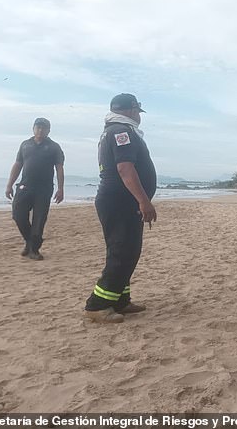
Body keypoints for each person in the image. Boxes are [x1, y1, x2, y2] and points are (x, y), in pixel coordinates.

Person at [84, 93, 157, 324]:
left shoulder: (118, 130)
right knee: (122, 252)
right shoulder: (120, 132)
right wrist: (144, 201)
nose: (139, 116)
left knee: (128, 251)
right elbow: (125, 169)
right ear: (132, 110)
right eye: (137, 111)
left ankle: (120, 300)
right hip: (120, 201)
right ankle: (98, 305)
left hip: (123, 201)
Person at [5, 118, 65, 260]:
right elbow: (17, 164)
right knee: (18, 215)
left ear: (48, 130)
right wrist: (9, 185)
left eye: (43, 128)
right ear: (33, 128)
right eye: (38, 127)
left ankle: (34, 250)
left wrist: (61, 188)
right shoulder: (25, 145)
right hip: (25, 185)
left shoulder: (54, 147)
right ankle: (30, 241)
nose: (40, 130)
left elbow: (59, 168)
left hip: (44, 189)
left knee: (39, 220)